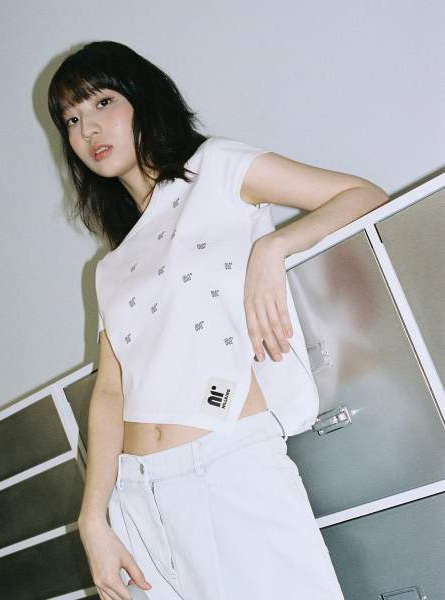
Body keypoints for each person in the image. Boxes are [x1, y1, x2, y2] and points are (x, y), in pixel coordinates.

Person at [48, 41, 388, 600]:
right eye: (71, 119)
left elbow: (364, 196)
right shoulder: (110, 268)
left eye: (103, 102)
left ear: (142, 98)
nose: (88, 129)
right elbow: (109, 393)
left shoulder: (217, 169)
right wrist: (94, 520)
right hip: (136, 498)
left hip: (226, 471)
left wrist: (274, 246)